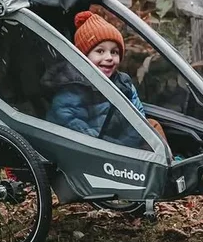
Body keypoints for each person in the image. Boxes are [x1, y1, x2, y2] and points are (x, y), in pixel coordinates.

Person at [45, 11, 169, 148]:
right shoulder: (72, 86)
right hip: (94, 148)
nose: (109, 57)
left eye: (114, 52)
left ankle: (168, 164)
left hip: (123, 143)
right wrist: (113, 146)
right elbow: (70, 123)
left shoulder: (123, 83)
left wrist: (132, 146)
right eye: (100, 51)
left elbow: (138, 117)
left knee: (152, 125)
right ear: (83, 57)